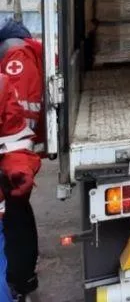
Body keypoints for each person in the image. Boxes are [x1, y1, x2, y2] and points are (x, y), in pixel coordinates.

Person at [0, 19, 43, 299]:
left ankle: (21, 280)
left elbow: (15, 132)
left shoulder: (11, 72)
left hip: (8, 182)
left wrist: (18, 169)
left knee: (17, 222)